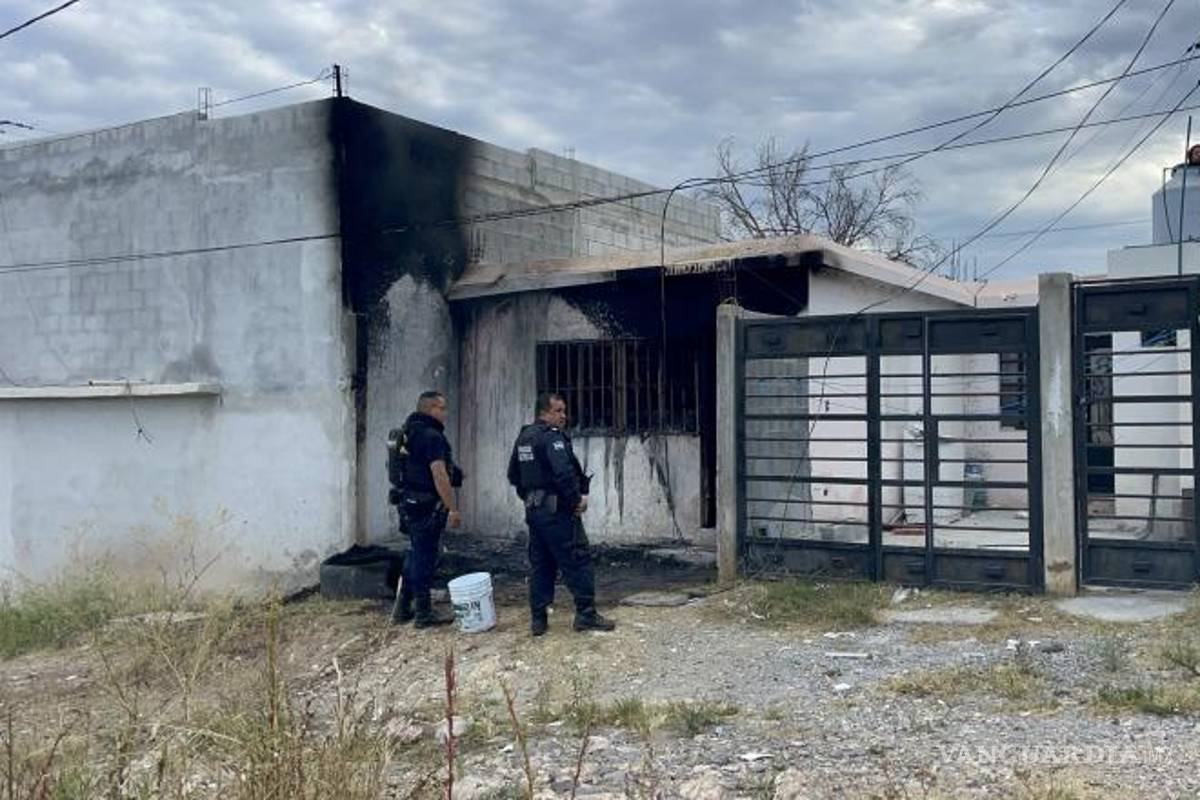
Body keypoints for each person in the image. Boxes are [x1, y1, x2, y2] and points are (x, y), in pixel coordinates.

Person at [507, 392, 615, 637]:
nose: (564, 416)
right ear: (544, 413)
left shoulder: (524, 437)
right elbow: (564, 474)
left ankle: (538, 619)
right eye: (558, 411)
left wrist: (531, 497)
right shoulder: (551, 438)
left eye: (564, 411)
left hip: (535, 512)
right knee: (577, 558)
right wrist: (576, 501)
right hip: (557, 513)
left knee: (541, 563)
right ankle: (586, 614)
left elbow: (513, 475)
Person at [390, 390, 463, 628]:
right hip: (426, 505)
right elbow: (438, 473)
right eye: (442, 408)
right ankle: (423, 613)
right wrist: (452, 508)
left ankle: (403, 606)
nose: (445, 413)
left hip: (408, 501)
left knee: (416, 553)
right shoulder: (432, 436)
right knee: (426, 558)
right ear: (431, 409)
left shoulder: (409, 432)